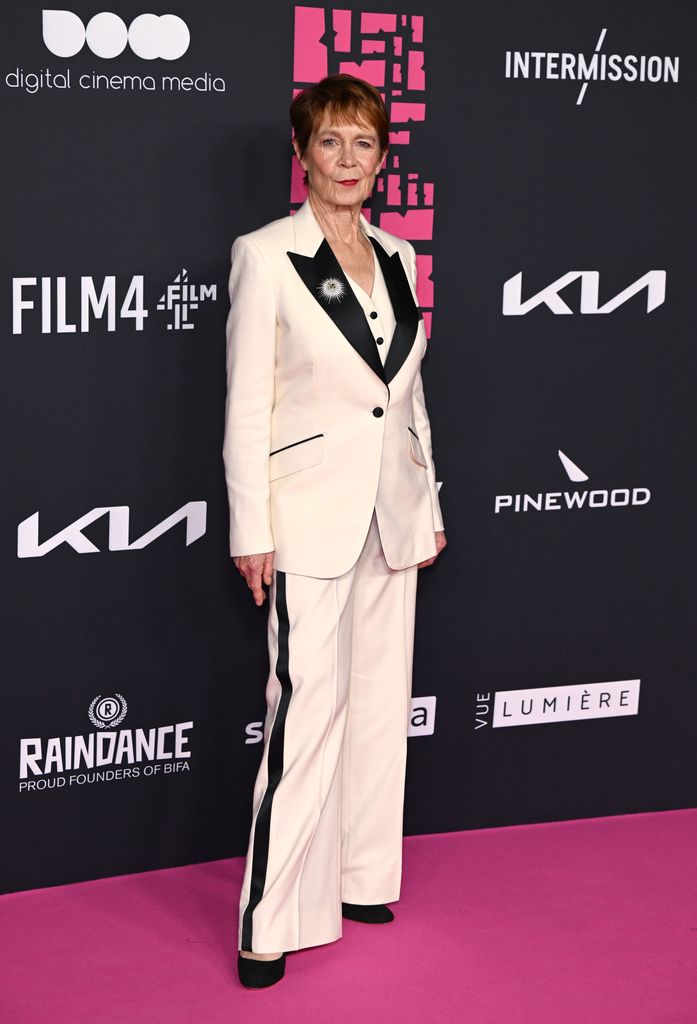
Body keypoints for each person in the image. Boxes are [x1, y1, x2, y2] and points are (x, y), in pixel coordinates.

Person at [223, 73, 446, 989]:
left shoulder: (397, 256)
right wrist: (250, 526)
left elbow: (406, 398)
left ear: (383, 158)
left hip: (391, 517)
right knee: (305, 715)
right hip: (307, 513)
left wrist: (424, 506)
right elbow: (245, 403)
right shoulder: (266, 253)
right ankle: (268, 920)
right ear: (301, 153)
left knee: (377, 705)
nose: (346, 160)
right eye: (329, 143)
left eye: (363, 144)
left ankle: (360, 876)